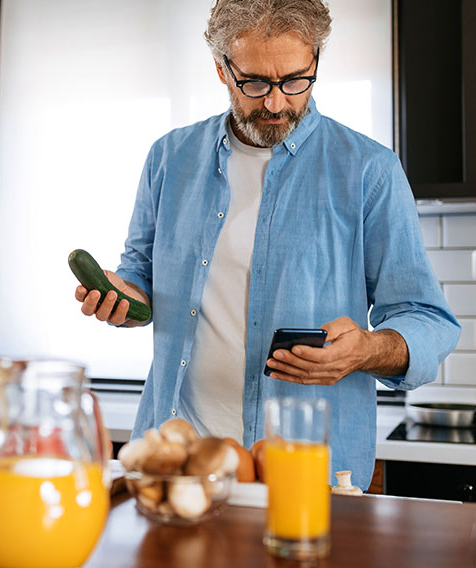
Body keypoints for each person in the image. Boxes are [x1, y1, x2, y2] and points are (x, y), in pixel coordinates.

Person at [75, 0, 460, 490]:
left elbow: (428, 320)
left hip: (306, 472)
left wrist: (366, 349)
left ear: (316, 60)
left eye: (295, 80)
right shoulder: (169, 158)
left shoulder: (369, 170)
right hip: (175, 463)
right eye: (255, 83)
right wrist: (121, 297)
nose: (276, 102)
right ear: (221, 68)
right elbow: (141, 278)